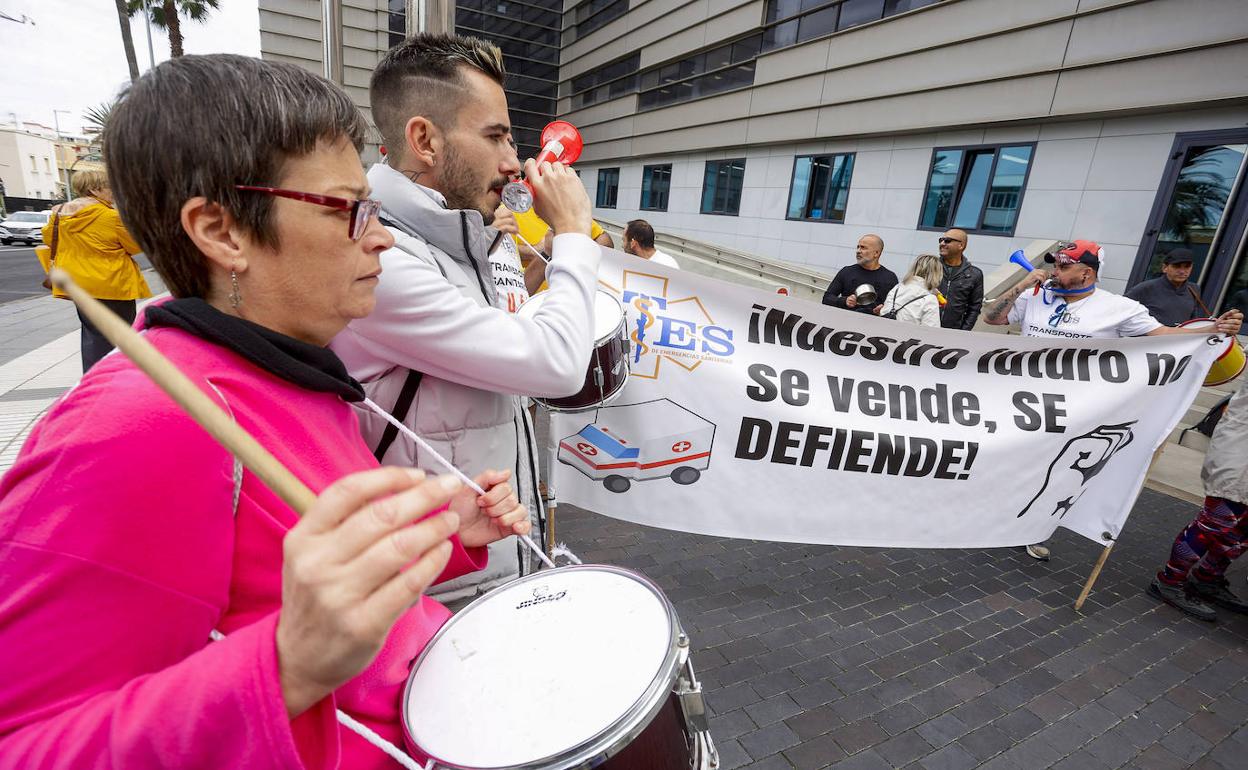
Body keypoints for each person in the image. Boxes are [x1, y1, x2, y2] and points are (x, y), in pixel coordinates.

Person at [0, 54, 530, 769]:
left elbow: (274, 584)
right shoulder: (139, 425)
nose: (380, 237)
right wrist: (288, 666)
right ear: (221, 232)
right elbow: (26, 747)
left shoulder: (287, 369)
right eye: (349, 209)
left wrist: (440, 537)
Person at [330, 33, 600, 604]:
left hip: (490, 558)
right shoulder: (383, 259)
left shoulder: (465, 234)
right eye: (495, 135)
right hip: (438, 586)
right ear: (424, 140)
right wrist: (574, 237)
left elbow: (520, 342)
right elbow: (555, 364)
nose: (512, 160)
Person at [984, 239, 1243, 561]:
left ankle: (1029, 528)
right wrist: (1022, 284)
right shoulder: (1035, 296)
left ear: (1087, 273)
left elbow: (1162, 336)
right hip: (1017, 402)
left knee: (1048, 474)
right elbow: (993, 319)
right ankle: (989, 519)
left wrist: (1212, 329)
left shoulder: (1118, 308)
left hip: (1070, 412)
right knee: (1003, 463)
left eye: (1064, 266)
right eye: (1055, 264)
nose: (1055, 271)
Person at [1148, 376, 1248, 621]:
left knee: (1242, 530)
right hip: (1240, 456)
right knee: (1214, 523)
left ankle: (1207, 578)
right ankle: (1169, 581)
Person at [41, 169, 152, 371]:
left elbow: (48, 239)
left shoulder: (59, 212)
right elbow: (135, 246)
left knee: (92, 334)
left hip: (76, 283)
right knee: (118, 334)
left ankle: (92, 376)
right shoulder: (110, 216)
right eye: (110, 187)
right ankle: (110, 377)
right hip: (111, 283)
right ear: (94, 189)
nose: (114, 192)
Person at [1125, 248, 1205, 326]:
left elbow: (1193, 319)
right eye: (1177, 266)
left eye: (1187, 267)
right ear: (1164, 268)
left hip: (1180, 337)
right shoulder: (1146, 288)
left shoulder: (1194, 289)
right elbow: (1121, 310)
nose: (1182, 271)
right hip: (1150, 338)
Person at [821, 234, 898, 314]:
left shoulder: (890, 278)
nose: (858, 251)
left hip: (873, 324)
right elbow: (827, 298)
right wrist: (845, 301)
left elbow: (895, 308)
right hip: (845, 321)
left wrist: (883, 310)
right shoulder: (847, 271)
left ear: (876, 253)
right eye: (858, 247)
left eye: (863, 248)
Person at [875, 253, 941, 327]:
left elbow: (885, 312)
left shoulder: (897, 288)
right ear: (936, 274)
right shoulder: (930, 299)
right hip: (906, 337)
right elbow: (931, 332)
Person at [936, 228, 984, 331]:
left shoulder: (975, 274)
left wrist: (963, 332)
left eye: (947, 240)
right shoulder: (930, 267)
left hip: (953, 333)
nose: (942, 243)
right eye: (941, 240)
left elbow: (975, 308)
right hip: (925, 329)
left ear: (961, 245)